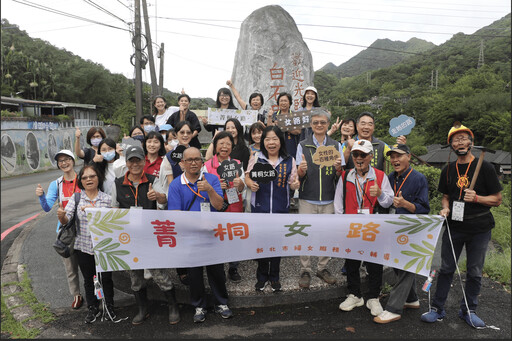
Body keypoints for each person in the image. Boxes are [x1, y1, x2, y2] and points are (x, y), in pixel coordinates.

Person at [421, 123, 503, 328]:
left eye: (463, 138)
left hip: (480, 228)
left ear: (471, 142)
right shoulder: (448, 170)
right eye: (455, 139)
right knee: (446, 268)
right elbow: (446, 197)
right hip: (454, 227)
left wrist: (477, 198)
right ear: (451, 145)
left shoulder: (485, 167)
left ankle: (468, 310)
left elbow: (497, 199)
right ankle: (438, 308)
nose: (460, 142)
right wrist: (445, 208)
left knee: (474, 270)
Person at [110, 145, 178, 325]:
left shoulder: (152, 180)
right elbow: (113, 209)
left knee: (158, 273)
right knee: (135, 276)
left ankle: (173, 306)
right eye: (131, 160)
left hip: (150, 236)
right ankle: (142, 308)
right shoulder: (117, 183)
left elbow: (165, 200)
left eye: (138, 160)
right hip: (130, 238)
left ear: (143, 161)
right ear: (126, 163)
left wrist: (157, 196)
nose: (135, 164)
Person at [167, 147, 233, 323]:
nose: (194, 163)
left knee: (217, 271)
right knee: (194, 274)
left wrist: (210, 190)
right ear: (182, 163)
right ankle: (199, 305)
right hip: (190, 237)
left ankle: (222, 303)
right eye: (189, 160)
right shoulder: (175, 184)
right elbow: (174, 215)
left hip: (212, 234)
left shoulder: (212, 179)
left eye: (197, 159)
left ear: (202, 162)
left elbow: (220, 206)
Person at [334, 139, 394, 317]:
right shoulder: (345, 176)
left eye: (363, 155)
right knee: (351, 261)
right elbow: (338, 202)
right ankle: (354, 294)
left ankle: (373, 297)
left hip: (372, 226)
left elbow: (389, 201)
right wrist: (340, 223)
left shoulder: (381, 176)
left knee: (374, 262)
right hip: (351, 226)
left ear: (371, 156)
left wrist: (381, 193)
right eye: (355, 154)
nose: (359, 158)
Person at [373, 143, 430, 324]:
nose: (395, 160)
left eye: (399, 156)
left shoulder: (418, 178)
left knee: (405, 266)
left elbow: (424, 209)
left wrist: (406, 204)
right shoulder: (390, 177)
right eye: (392, 157)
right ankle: (412, 299)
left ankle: (393, 308)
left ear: (409, 157)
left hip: (410, 229)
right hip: (392, 227)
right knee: (397, 264)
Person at [57, 164, 115, 324]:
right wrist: (61, 216)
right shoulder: (76, 199)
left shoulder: (107, 199)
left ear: (98, 178)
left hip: (104, 248)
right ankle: (93, 307)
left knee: (106, 279)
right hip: (83, 247)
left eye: (92, 176)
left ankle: (109, 305)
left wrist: (94, 210)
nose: (88, 179)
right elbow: (66, 219)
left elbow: (113, 223)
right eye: (84, 177)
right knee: (89, 279)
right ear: (80, 181)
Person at [245, 126, 300, 292]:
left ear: (280, 141)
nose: (271, 142)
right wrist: (250, 184)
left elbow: (293, 182)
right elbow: (247, 175)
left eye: (274, 139)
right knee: (261, 244)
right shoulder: (257, 158)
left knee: (277, 244)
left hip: (280, 209)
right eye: (267, 139)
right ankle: (261, 277)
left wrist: (295, 185)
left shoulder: (289, 160)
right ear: (263, 142)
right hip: (260, 208)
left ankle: (275, 277)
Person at [295, 109, 344, 289]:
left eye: (323, 122)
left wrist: (339, 168)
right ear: (311, 124)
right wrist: (301, 170)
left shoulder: (336, 145)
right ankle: (305, 269)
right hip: (307, 198)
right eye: (316, 122)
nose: (319, 125)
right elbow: (297, 175)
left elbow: (340, 175)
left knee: (327, 235)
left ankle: (322, 268)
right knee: (305, 235)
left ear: (328, 125)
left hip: (329, 199)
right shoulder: (303, 145)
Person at [35, 150, 83, 310]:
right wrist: (41, 196)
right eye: (60, 161)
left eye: (67, 159)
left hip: (85, 229)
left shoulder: (83, 178)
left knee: (89, 265)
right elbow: (47, 207)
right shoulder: (56, 184)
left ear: (73, 161)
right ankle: (76, 295)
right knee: (70, 267)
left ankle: (95, 292)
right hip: (66, 232)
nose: (64, 163)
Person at [204, 131, 246, 283]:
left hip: (234, 206)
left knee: (234, 236)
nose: (224, 146)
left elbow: (243, 188)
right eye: (221, 143)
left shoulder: (237, 164)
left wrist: (240, 184)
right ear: (215, 146)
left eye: (228, 143)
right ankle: (218, 265)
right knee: (217, 236)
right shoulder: (207, 165)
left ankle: (233, 267)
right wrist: (215, 188)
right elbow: (203, 188)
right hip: (215, 207)